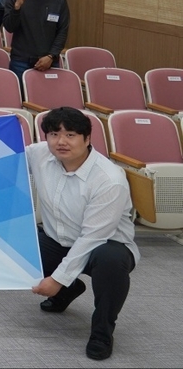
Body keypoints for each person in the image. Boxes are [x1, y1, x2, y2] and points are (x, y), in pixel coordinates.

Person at [28, 107, 139, 361]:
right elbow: (2, 156)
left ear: (87, 139)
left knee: (111, 261)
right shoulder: (39, 154)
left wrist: (57, 279)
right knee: (21, 244)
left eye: (70, 135)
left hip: (104, 246)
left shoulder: (109, 179)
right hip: (58, 239)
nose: (61, 141)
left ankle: (102, 333)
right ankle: (68, 290)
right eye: (54, 134)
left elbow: (92, 238)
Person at [3, 0, 70, 75]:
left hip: (50, 61)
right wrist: (17, 7)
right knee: (20, 88)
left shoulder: (59, 1)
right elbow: (9, 27)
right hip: (21, 62)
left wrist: (51, 56)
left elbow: (62, 31)